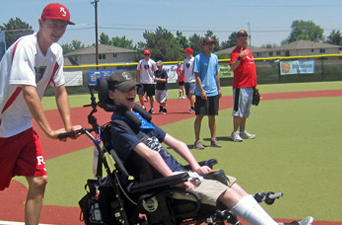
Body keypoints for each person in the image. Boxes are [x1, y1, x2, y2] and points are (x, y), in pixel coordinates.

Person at [105, 71, 314, 225]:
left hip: (179, 174)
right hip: (164, 183)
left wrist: (195, 167)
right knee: (227, 193)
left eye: (133, 87)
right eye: (126, 90)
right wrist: (175, 178)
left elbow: (175, 143)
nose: (132, 92)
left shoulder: (138, 119)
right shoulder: (119, 126)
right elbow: (150, 155)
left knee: (231, 183)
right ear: (112, 94)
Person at [0, 3, 80, 225]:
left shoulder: (56, 52)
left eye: (63, 26)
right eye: (54, 24)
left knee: (40, 180)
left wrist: (69, 126)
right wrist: (50, 131)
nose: (58, 30)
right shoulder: (25, 47)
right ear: (40, 23)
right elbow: (30, 93)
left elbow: (60, 89)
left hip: (22, 127)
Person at [193, 37, 222, 149]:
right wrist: (201, 91)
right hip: (202, 93)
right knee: (199, 116)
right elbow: (197, 75)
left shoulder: (215, 57)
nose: (211, 46)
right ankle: (197, 141)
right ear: (203, 45)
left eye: (212, 44)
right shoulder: (198, 58)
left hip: (213, 91)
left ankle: (213, 139)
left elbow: (216, 74)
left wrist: (219, 89)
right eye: (208, 44)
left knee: (212, 116)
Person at [230, 30, 257, 142]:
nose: (243, 40)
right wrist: (240, 57)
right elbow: (233, 67)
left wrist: (255, 86)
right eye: (241, 38)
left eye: (245, 38)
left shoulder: (249, 51)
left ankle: (242, 131)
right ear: (237, 39)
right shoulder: (236, 52)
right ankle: (235, 132)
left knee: (245, 111)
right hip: (240, 86)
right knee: (238, 111)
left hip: (250, 85)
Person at [135, 49, 157, 114]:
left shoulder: (152, 62)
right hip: (142, 81)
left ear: (150, 55)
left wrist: (155, 77)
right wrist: (136, 78)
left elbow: (155, 71)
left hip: (150, 81)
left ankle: (152, 108)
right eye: (145, 54)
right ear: (144, 55)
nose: (146, 56)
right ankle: (143, 107)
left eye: (148, 54)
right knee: (140, 94)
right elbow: (138, 70)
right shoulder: (141, 62)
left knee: (150, 96)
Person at [182, 47, 196, 114]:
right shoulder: (185, 61)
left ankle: (192, 107)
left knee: (191, 93)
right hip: (186, 80)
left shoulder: (194, 60)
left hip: (192, 80)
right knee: (188, 95)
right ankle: (195, 104)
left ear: (189, 53)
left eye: (186, 53)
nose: (184, 54)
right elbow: (183, 70)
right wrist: (179, 78)